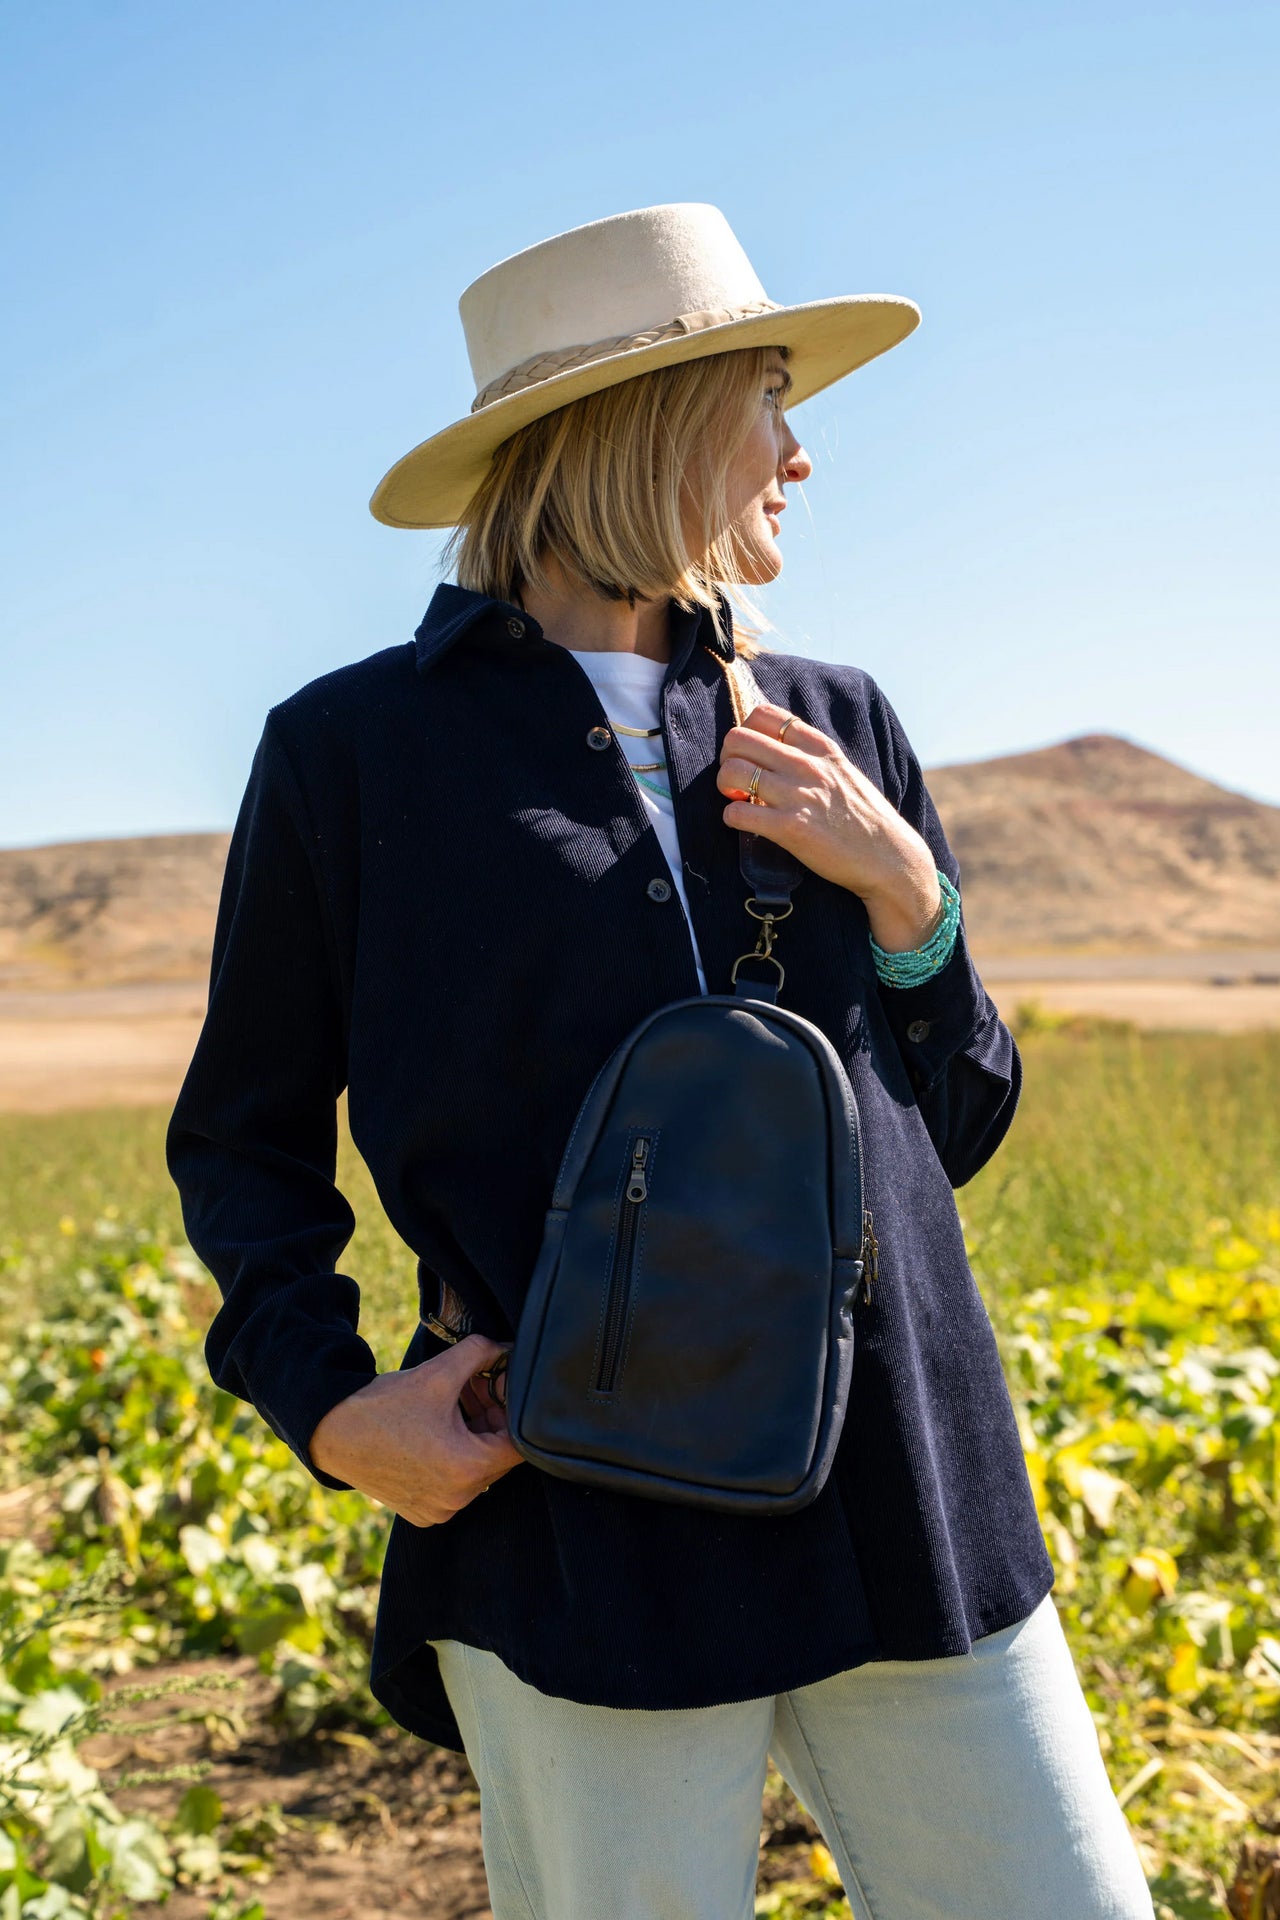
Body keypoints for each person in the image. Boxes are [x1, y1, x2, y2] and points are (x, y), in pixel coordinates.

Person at [166, 204, 1155, 1920]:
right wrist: (328, 1408)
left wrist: (912, 899)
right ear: (644, 421)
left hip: (908, 1495)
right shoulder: (352, 755)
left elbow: (961, 1123)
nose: (801, 452)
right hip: (575, 1525)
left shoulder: (842, 724)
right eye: (767, 398)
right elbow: (241, 1141)